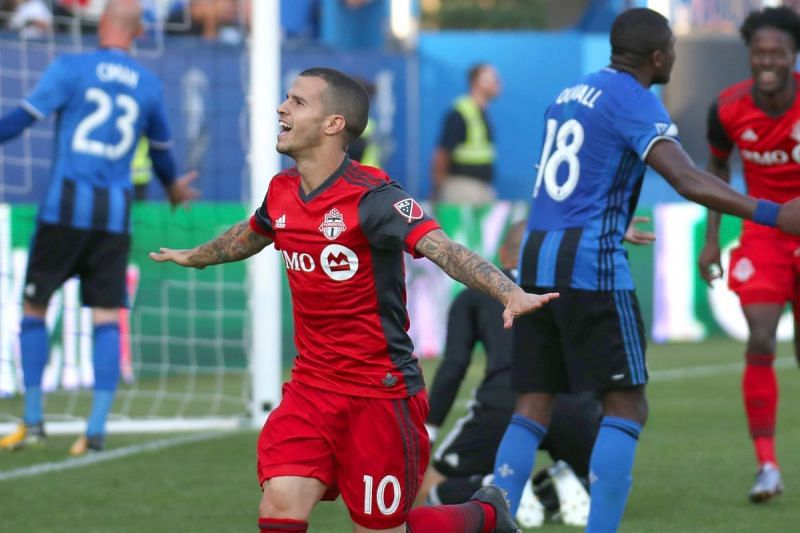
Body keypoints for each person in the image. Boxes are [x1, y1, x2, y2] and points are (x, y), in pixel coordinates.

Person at [150, 67, 558, 533]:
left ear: (333, 124)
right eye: (286, 98)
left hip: (380, 394)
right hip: (312, 387)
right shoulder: (282, 191)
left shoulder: (375, 198)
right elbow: (252, 233)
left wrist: (509, 291)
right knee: (280, 502)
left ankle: (484, 515)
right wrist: (197, 256)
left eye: (298, 102)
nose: (282, 108)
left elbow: (444, 249)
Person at [490, 7, 800, 532]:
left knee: (532, 404)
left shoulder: (570, 94)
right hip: (589, 268)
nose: (675, 55)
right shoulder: (636, 100)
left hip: (539, 258)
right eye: (673, 47)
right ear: (658, 56)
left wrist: (614, 219)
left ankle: (489, 516)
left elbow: (563, 184)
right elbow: (685, 178)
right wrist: (774, 213)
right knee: (627, 405)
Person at [0, 0, 199, 455]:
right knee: (107, 316)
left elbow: (20, 120)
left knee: (35, 307)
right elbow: (164, 153)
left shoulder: (70, 67)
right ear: (139, 33)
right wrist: (171, 186)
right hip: (113, 219)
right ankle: (95, 429)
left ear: (102, 24)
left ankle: (32, 421)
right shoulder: (148, 84)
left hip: (63, 214)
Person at [698, 5, 800, 503]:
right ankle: (766, 466)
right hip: (764, 233)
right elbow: (716, 171)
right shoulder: (728, 107)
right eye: (758, 52)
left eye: (776, 52)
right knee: (760, 336)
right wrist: (712, 238)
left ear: (793, 55)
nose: (766, 60)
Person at [432, 63, 500, 205]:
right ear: (476, 83)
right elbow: (441, 154)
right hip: (462, 188)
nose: (497, 83)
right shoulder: (460, 112)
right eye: (492, 79)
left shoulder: (481, 112)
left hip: (482, 188)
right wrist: (438, 188)